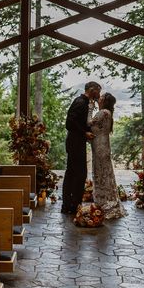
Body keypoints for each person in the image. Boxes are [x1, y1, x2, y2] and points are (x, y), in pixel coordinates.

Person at [61, 81, 101, 214]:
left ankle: (69, 205)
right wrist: (84, 133)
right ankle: (73, 205)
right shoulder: (80, 102)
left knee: (73, 173)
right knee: (78, 174)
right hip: (75, 142)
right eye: (98, 91)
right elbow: (69, 123)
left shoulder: (84, 102)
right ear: (91, 89)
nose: (99, 94)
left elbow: (79, 122)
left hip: (77, 142)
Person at [90, 92, 127, 220]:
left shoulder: (103, 113)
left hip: (100, 146)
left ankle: (103, 201)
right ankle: (104, 198)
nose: (98, 98)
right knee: (104, 172)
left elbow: (89, 123)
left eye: (101, 97)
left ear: (105, 101)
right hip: (102, 145)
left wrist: (90, 108)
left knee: (101, 173)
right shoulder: (107, 113)